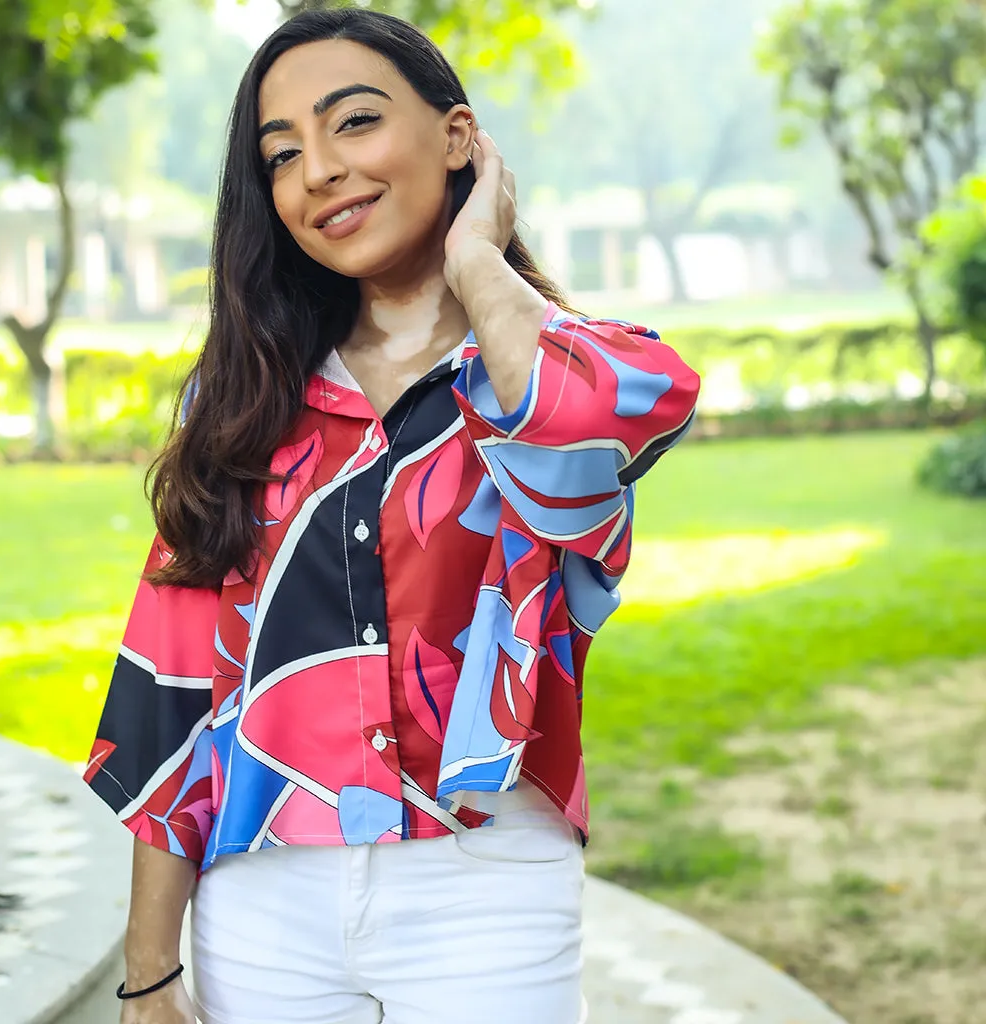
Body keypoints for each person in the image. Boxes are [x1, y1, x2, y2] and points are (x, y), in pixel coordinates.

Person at [83, 8, 700, 1024]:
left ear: (458, 137)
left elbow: (579, 451)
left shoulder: (585, 366)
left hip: (485, 884)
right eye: (281, 155)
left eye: (353, 123)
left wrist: (476, 265)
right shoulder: (243, 401)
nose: (318, 171)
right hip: (262, 894)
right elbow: (180, 685)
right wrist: (149, 969)